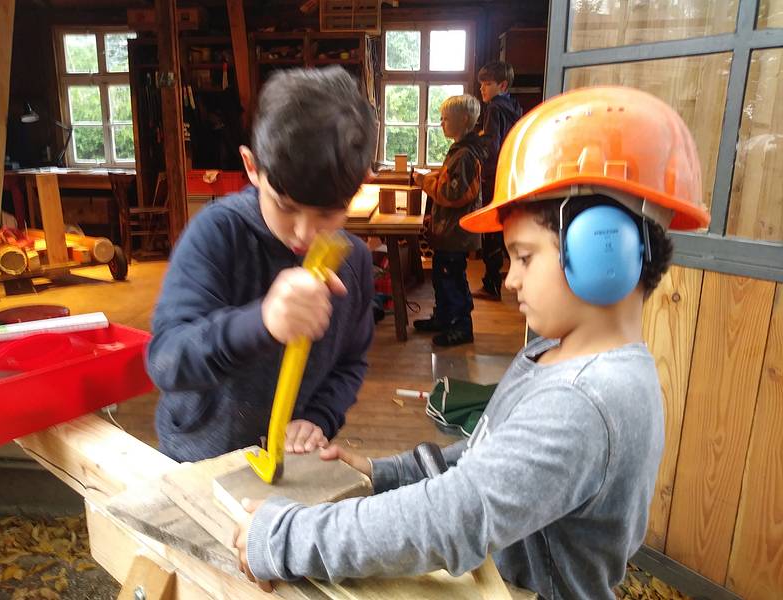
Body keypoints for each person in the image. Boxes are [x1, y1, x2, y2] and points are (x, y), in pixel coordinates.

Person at [232, 86, 711, 599]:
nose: (509, 281)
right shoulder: (555, 354)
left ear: (601, 251)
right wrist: (384, 473)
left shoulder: (586, 401)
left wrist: (286, 537)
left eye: (524, 257)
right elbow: (487, 454)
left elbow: (453, 519)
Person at [146, 66, 377, 462]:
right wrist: (262, 322)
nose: (306, 234)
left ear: (359, 186)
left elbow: (350, 363)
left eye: (328, 214)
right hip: (197, 459)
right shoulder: (218, 233)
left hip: (284, 465)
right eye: (286, 207)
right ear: (252, 167)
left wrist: (318, 417)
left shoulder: (353, 261)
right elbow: (166, 360)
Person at [412, 94, 485, 346]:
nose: (441, 123)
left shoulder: (465, 154)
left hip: (456, 234)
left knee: (452, 280)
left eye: (445, 119)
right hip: (450, 233)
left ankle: (461, 326)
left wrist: (425, 182)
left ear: (463, 120)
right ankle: (443, 318)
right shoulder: (460, 151)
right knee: (442, 278)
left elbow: (452, 193)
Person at [474, 61, 522, 301]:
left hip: (493, 177)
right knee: (508, 228)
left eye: (487, 84)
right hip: (511, 176)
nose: (482, 88)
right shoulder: (514, 106)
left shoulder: (494, 108)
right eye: (481, 84)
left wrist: (476, 145)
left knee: (490, 231)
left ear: (502, 85)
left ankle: (491, 285)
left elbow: (491, 148)